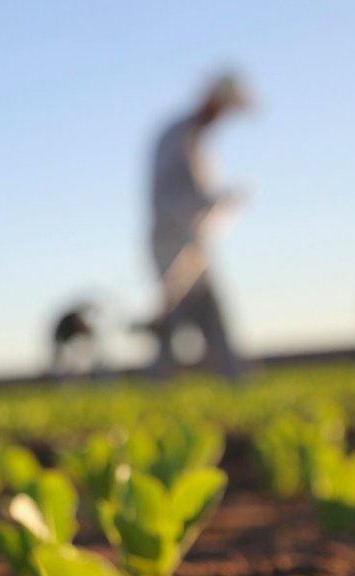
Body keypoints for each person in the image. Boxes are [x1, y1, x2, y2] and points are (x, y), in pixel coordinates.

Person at [147, 72, 252, 380]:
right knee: (178, 313)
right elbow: (176, 194)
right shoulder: (179, 137)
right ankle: (161, 384)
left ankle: (232, 379)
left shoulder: (194, 139)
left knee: (204, 312)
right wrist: (219, 200)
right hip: (173, 241)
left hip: (191, 241)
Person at [49, 301, 99, 379]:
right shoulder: (74, 318)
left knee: (72, 358)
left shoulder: (75, 320)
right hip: (61, 338)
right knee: (61, 360)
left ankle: (75, 374)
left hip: (67, 339)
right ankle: (57, 377)